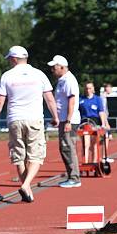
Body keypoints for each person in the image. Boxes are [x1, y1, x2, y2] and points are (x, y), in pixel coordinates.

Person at [0, 45, 58, 203]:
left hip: (14, 119)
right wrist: (55, 116)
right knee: (36, 155)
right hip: (34, 118)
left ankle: (26, 187)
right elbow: (49, 98)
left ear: (14, 59)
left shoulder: (7, 75)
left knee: (18, 155)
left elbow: (0, 100)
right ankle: (27, 185)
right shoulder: (39, 74)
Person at [49, 54, 81, 188]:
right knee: (65, 148)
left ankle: (74, 177)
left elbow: (71, 101)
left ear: (61, 67)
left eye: (54, 67)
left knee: (68, 147)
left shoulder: (69, 80)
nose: (52, 70)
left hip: (69, 120)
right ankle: (71, 176)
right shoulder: (62, 80)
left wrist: (67, 121)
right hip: (63, 119)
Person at [78, 81, 108, 163]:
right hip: (84, 123)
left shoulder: (97, 99)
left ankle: (95, 162)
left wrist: (103, 124)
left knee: (94, 144)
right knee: (86, 144)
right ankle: (85, 162)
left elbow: (101, 112)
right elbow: (77, 111)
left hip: (94, 122)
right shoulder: (80, 99)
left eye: (90, 88)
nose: (88, 90)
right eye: (86, 88)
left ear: (93, 89)